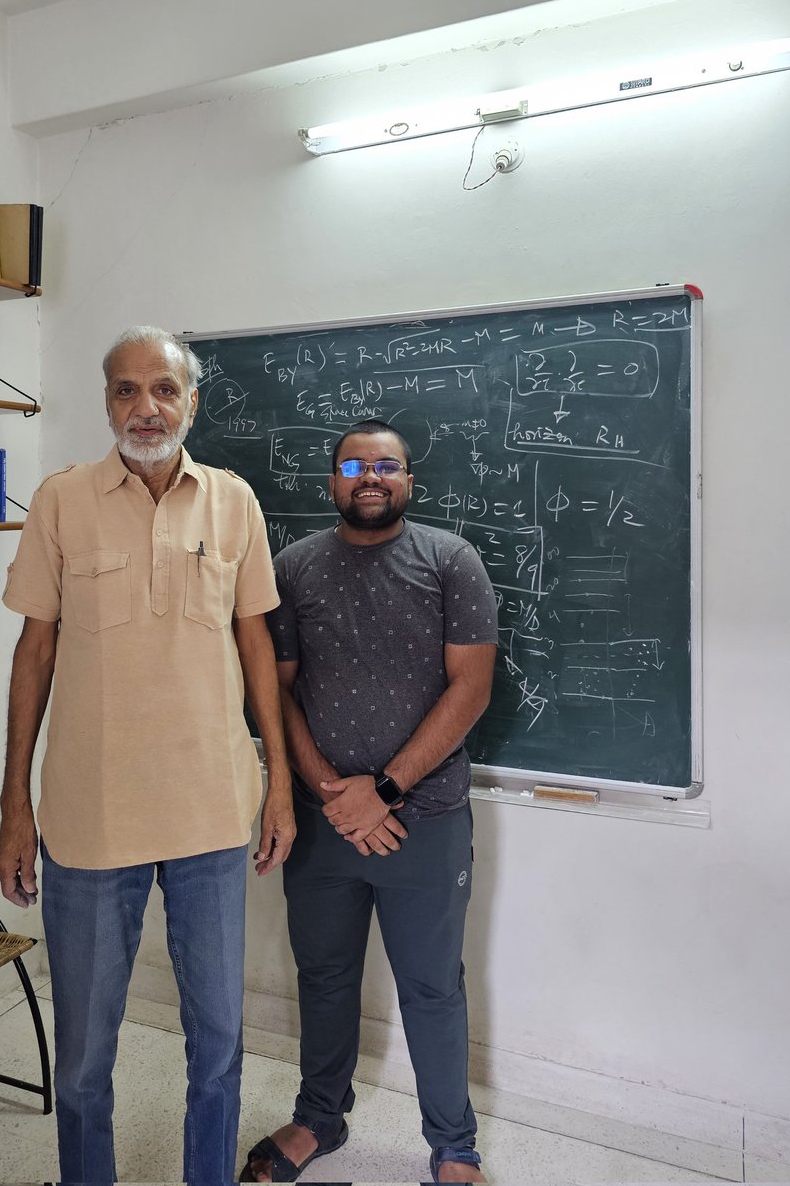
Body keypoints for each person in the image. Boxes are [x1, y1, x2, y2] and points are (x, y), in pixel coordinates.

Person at [0, 325, 295, 1185]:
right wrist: (15, 803)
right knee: (86, 1057)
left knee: (220, 1044)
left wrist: (276, 785)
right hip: (90, 817)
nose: (145, 407)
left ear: (192, 400)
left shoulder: (235, 502)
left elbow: (254, 641)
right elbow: (34, 653)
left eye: (163, 388)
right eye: (125, 390)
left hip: (210, 809)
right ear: (106, 403)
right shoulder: (61, 501)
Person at [240, 419, 497, 1184]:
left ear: (409, 482)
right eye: (354, 465)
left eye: (388, 465)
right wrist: (330, 792)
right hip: (323, 827)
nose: (371, 476)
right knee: (322, 976)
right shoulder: (292, 568)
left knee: (431, 986)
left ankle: (453, 1146)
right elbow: (274, 691)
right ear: (332, 482)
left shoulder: (452, 561)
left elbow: (471, 687)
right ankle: (320, 1118)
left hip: (424, 819)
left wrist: (383, 790)